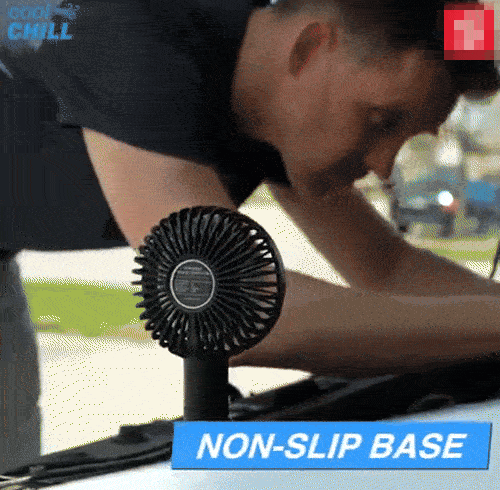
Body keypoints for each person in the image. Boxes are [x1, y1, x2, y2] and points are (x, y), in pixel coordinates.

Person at [0, 0, 499, 473]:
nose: (385, 164)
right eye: (380, 120)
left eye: (405, 135)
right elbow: (228, 308)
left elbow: (389, 268)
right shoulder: (132, 33)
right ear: (310, 47)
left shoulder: (268, 94)